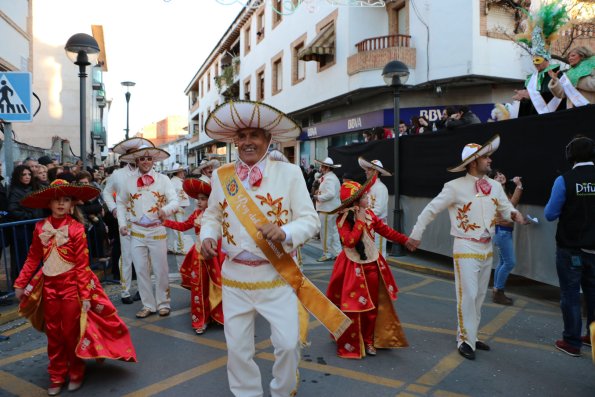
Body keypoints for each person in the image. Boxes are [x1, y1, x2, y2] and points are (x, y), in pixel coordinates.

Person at [199, 100, 348, 397]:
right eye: (241, 136)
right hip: (235, 278)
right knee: (238, 349)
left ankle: (282, 392)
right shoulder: (221, 176)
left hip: (277, 275)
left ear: (268, 140)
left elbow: (310, 220)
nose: (247, 142)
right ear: (235, 142)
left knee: (289, 343)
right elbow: (212, 214)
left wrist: (285, 232)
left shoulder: (290, 173)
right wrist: (207, 236)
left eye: (254, 135)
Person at [406, 135, 527, 360]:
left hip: (486, 247)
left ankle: (472, 335)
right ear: (473, 162)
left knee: (480, 295)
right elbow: (431, 209)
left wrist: (514, 214)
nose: (490, 161)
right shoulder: (454, 187)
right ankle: (464, 339)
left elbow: (504, 207)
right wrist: (416, 233)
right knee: (468, 294)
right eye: (486, 158)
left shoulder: (494, 186)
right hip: (465, 246)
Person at [13, 179, 136, 396]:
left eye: (66, 200)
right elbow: (33, 258)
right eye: (57, 200)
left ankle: (77, 370)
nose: (61, 204)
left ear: (72, 205)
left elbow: (81, 265)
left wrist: (85, 294)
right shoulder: (40, 227)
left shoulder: (77, 228)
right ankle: (57, 374)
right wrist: (21, 283)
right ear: (49, 203)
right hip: (49, 287)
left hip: (72, 287)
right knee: (53, 333)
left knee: (71, 333)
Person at [326, 178, 410, 359]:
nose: (368, 197)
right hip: (350, 267)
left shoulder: (370, 214)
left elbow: (386, 231)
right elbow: (349, 242)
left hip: (371, 265)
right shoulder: (343, 218)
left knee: (372, 306)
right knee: (351, 306)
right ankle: (348, 337)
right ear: (356, 202)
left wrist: (405, 240)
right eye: (364, 196)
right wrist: (360, 222)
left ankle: (369, 339)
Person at [544, 136, 595, 357]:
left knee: (571, 295)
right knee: (594, 294)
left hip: (571, 248)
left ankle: (572, 342)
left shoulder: (565, 180)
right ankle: (591, 337)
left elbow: (550, 214)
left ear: (570, 156)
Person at [116, 144, 179, 318]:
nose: (145, 162)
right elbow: (121, 204)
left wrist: (164, 211)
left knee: (161, 269)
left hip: (157, 230)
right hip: (136, 231)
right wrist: (122, 223)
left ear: (153, 160)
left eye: (149, 158)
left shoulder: (163, 180)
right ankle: (148, 305)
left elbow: (175, 201)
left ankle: (163, 303)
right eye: (142, 158)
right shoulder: (128, 181)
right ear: (136, 160)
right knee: (141, 270)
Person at [163, 177, 223, 335]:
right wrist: (165, 222)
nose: (199, 202)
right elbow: (183, 226)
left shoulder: (220, 215)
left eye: (203, 199)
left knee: (217, 288)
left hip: (215, 255)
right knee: (199, 289)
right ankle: (200, 320)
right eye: (198, 199)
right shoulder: (196, 213)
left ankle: (216, 316)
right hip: (198, 255)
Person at [102, 137, 154, 304]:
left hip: (146, 221)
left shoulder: (149, 174)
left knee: (145, 257)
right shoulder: (118, 174)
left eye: (140, 155)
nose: (138, 158)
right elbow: (106, 193)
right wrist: (115, 209)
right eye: (134, 155)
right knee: (126, 256)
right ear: (128, 157)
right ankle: (125, 291)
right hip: (126, 221)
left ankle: (142, 289)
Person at [513, 1, 568, 116]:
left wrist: (531, 95)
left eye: (538, 60)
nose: (535, 63)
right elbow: (527, 107)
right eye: (533, 60)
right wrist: (523, 99)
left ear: (546, 58)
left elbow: (561, 96)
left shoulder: (558, 74)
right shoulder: (530, 80)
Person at [488, 169, 524, 305]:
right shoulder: (496, 193)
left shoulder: (502, 191)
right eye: (496, 176)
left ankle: (497, 290)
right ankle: (498, 291)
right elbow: (511, 206)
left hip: (502, 231)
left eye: (500, 174)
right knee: (510, 263)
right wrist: (519, 186)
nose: (500, 176)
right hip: (501, 231)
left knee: (502, 262)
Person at [8, 165, 44, 282]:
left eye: (29, 174)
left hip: (35, 229)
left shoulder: (35, 188)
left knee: (36, 257)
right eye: (24, 175)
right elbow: (13, 210)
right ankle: (22, 282)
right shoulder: (15, 191)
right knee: (23, 257)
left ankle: (36, 282)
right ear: (18, 176)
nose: (27, 177)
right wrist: (29, 217)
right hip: (22, 230)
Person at [359, 157, 391, 258]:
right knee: (370, 254)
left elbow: (378, 210)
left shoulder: (381, 188)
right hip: (369, 224)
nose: (366, 172)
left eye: (369, 169)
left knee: (379, 254)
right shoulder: (369, 187)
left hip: (378, 226)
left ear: (375, 172)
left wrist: (363, 215)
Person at [313, 157, 342, 262]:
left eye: (322, 166)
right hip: (331, 209)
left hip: (327, 210)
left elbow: (330, 194)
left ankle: (327, 253)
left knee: (325, 233)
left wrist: (318, 197)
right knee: (333, 232)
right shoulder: (330, 177)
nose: (320, 167)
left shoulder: (330, 178)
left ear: (325, 167)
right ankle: (337, 253)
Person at [165, 163, 193, 255]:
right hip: (176, 208)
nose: (184, 173)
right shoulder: (176, 182)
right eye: (182, 171)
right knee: (178, 228)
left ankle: (170, 247)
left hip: (173, 207)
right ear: (179, 172)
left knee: (171, 228)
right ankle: (180, 248)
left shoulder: (174, 181)